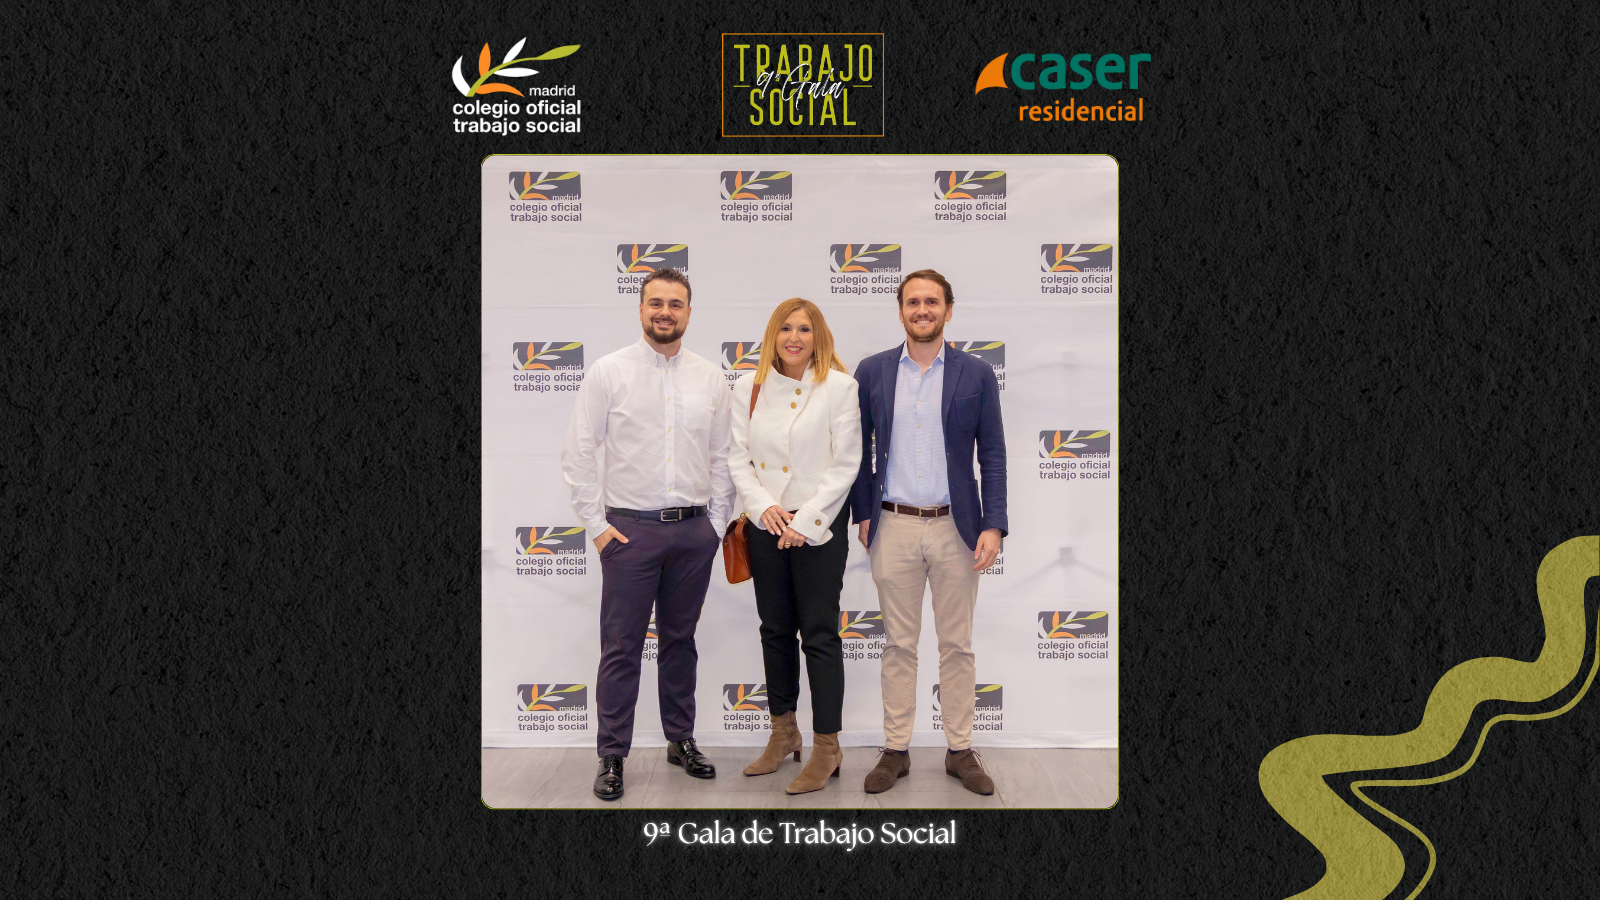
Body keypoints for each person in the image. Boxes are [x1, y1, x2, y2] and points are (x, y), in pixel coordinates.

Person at [560, 268, 734, 801]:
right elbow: (578, 452)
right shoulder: (608, 372)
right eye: (655, 302)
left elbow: (723, 457)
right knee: (622, 647)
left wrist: (715, 526)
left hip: (692, 533)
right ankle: (612, 754)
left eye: (675, 304)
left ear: (689, 313)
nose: (665, 312)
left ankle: (680, 740)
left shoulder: (710, 378)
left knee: (680, 642)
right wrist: (597, 527)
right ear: (640, 309)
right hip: (629, 533)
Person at [850, 269, 1007, 795]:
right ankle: (895, 749)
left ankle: (960, 749)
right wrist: (863, 512)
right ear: (900, 311)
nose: (922, 310)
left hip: (955, 528)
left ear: (948, 310)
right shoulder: (871, 371)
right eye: (913, 302)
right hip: (892, 525)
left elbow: (993, 454)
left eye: (932, 302)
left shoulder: (976, 373)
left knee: (957, 646)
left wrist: (993, 523)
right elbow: (857, 452)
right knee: (898, 644)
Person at [729, 298, 862, 794]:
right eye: (785, 328)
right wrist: (765, 507)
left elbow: (846, 464)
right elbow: (738, 458)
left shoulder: (840, 387)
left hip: (818, 529)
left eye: (804, 329)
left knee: (820, 636)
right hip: (766, 526)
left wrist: (804, 521)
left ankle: (827, 746)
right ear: (773, 335)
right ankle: (783, 732)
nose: (794, 337)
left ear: (817, 336)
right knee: (775, 631)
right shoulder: (748, 387)